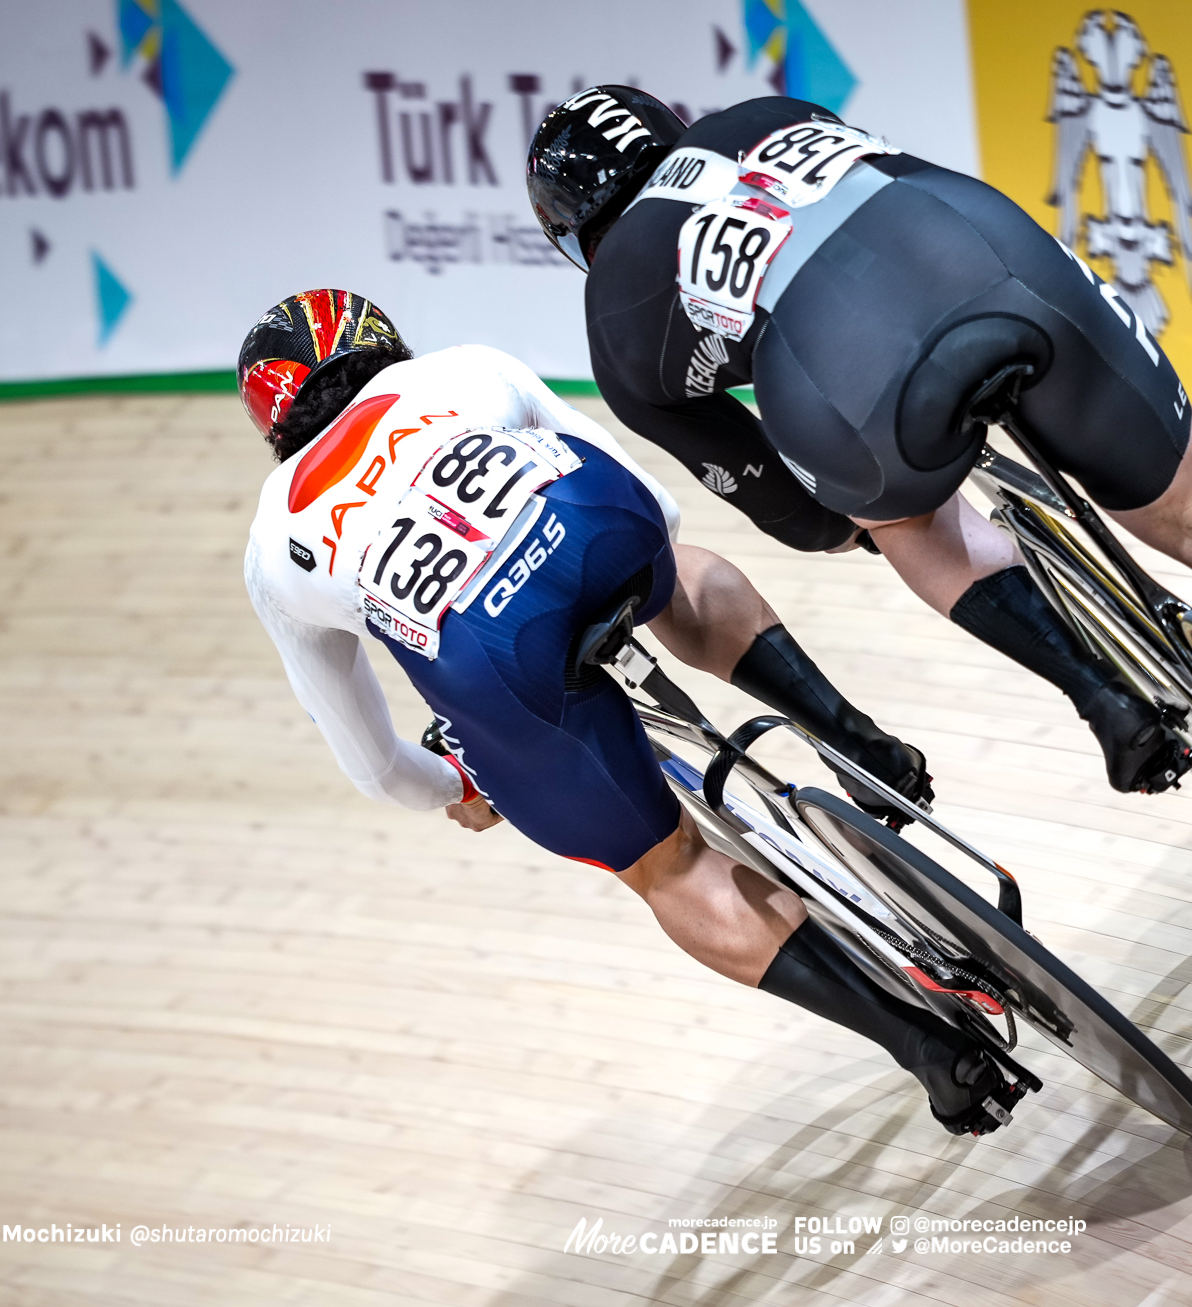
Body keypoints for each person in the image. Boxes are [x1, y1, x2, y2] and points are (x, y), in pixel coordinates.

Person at [525, 87, 1192, 857]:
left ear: (574, 239)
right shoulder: (767, 114)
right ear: (674, 128)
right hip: (994, 254)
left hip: (855, 377)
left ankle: (1105, 701)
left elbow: (774, 497)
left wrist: (854, 524)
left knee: (904, 524)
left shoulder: (614, 323)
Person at [239, 288, 1019, 1134]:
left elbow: (376, 765)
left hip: (501, 665)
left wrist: (460, 781)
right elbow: (663, 508)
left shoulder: (272, 544)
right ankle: (850, 736)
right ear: (382, 344)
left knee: (668, 865)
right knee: (671, 568)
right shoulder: (460, 370)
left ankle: (927, 1049)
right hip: (598, 530)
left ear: (273, 426)